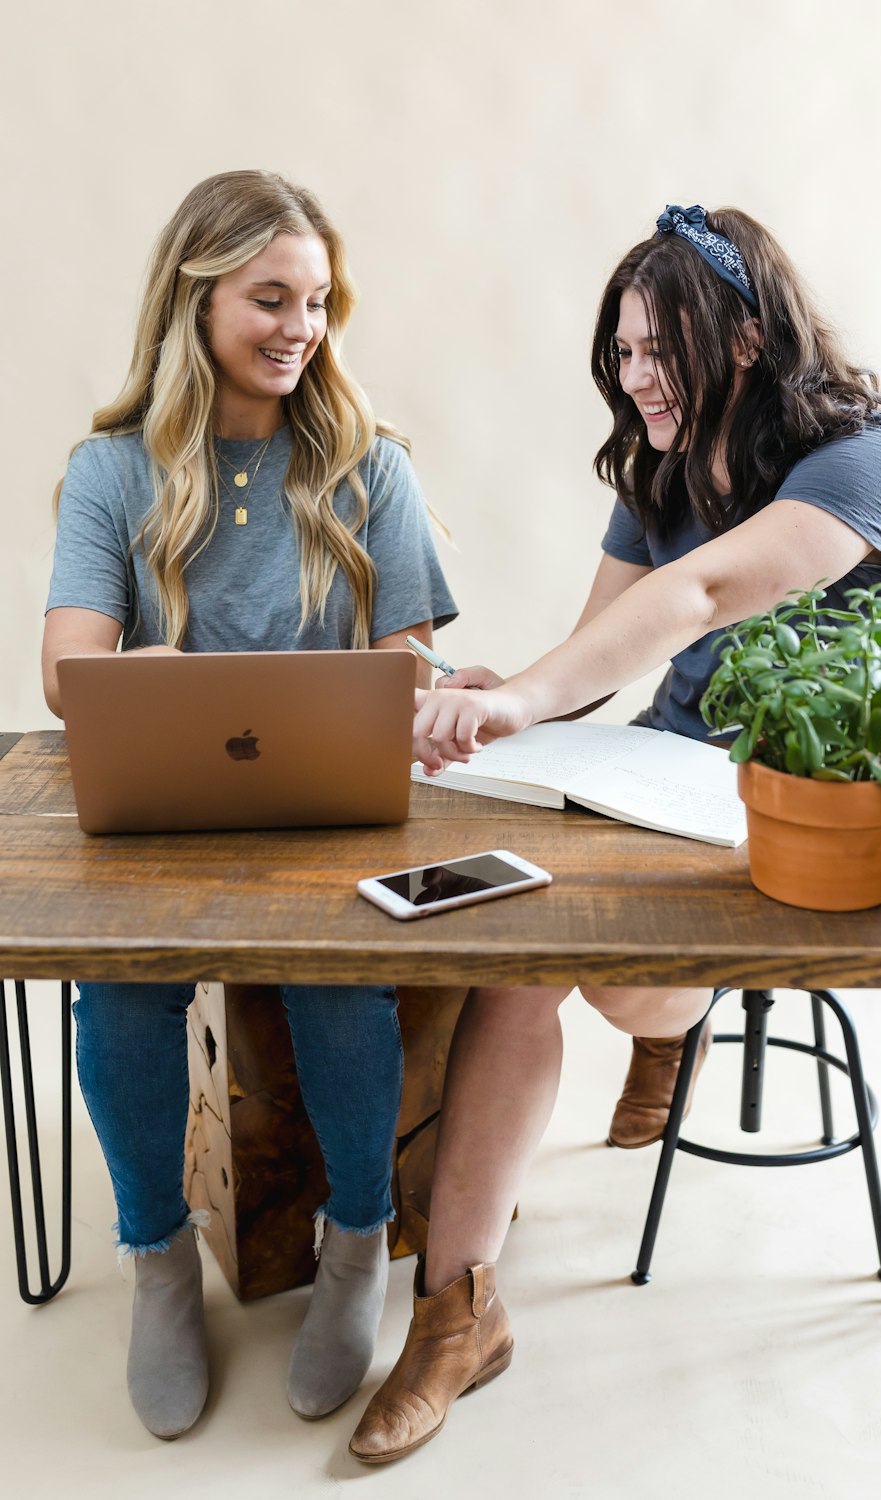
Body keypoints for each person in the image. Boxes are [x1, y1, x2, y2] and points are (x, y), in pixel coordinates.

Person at [348, 202, 881, 1463]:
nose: (635, 377)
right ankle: (457, 1314)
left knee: (577, 959)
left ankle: (673, 1036)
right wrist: (502, 701)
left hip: (792, 830)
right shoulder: (658, 471)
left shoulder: (864, 464)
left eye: (660, 347)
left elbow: (701, 593)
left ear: (742, 341)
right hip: (661, 790)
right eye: (621, 351)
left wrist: (517, 700)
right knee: (517, 944)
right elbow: (602, 654)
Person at [41, 170, 456, 1440]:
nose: (299, 327)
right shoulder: (112, 471)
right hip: (161, 818)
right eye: (269, 297)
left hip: (324, 821)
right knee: (118, 984)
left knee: (342, 981)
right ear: (195, 296)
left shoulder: (369, 467)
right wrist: (139, 678)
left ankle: (353, 1251)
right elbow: (68, 672)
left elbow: (414, 663)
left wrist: (433, 688)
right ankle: (158, 1262)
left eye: (318, 301)